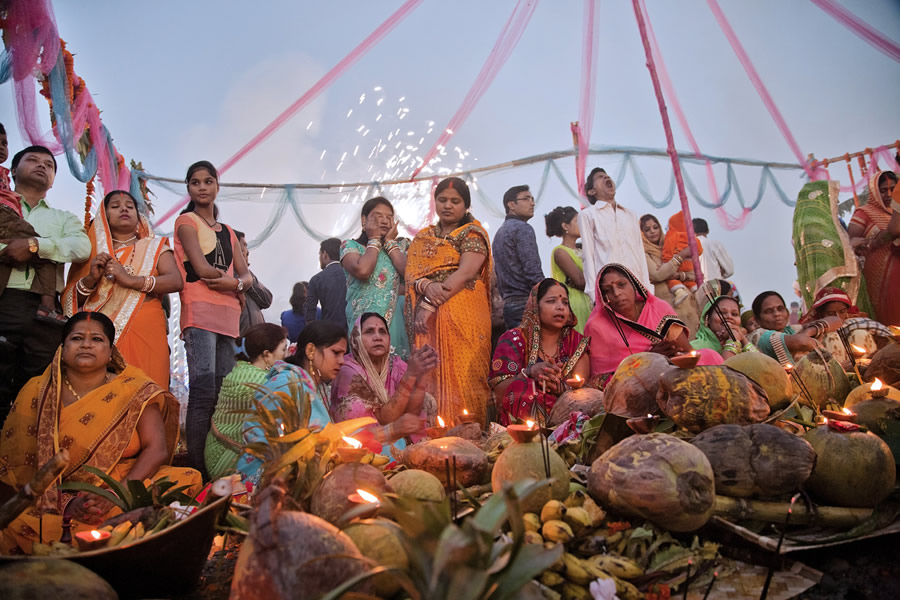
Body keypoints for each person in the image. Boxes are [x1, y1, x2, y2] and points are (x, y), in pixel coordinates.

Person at [0, 312, 202, 554]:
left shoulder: (135, 388)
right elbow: (17, 465)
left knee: (187, 478)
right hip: (56, 498)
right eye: (77, 338)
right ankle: (120, 538)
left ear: (110, 352)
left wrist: (114, 493)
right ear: (63, 350)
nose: (86, 344)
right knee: (16, 521)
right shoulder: (36, 392)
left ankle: (98, 537)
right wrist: (67, 504)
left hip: (124, 486)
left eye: (96, 339)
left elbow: (156, 449)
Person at [0, 146, 91, 419]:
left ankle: (31, 457)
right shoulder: (3, 207)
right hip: (4, 300)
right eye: (33, 160)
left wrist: (35, 245)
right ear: (13, 170)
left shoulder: (63, 218)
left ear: (52, 180)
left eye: (49, 164)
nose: (42, 166)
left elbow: (81, 247)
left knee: (40, 389)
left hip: (46, 312)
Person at [174, 160, 252, 477]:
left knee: (223, 395)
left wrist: (236, 284)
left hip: (228, 316)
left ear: (217, 186)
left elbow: (247, 275)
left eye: (208, 181)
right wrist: (236, 284)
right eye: (195, 182)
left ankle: (219, 464)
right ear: (189, 188)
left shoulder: (229, 232)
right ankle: (196, 472)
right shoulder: (185, 221)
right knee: (204, 392)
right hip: (200, 312)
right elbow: (202, 269)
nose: (202, 187)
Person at [62, 191, 182, 390]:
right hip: (101, 333)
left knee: (148, 390)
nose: (124, 209)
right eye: (115, 206)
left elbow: (175, 281)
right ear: (104, 215)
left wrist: (131, 280)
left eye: (129, 206)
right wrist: (91, 279)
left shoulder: (154, 246)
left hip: (146, 327)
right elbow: (69, 303)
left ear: (138, 215)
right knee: (103, 395)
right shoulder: (90, 252)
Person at [405, 177, 492, 426]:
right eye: (442, 200)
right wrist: (426, 286)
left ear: (466, 206)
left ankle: (471, 436)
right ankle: (434, 434)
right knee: (431, 373)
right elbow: (412, 274)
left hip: (465, 317)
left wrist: (428, 304)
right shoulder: (424, 238)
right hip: (430, 323)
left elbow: (465, 273)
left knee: (466, 377)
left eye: (455, 201)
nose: (448, 205)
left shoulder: (472, 233)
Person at [237, 320, 348, 485]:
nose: (342, 361)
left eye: (343, 355)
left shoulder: (313, 385)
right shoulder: (287, 382)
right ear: (311, 351)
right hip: (268, 479)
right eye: (336, 353)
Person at [584, 263, 719, 387]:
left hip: (672, 372)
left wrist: (669, 358)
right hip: (632, 386)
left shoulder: (658, 308)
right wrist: (649, 360)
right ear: (602, 296)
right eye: (607, 290)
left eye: (621, 284)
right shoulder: (596, 326)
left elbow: (687, 353)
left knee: (710, 356)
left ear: (634, 285)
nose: (616, 293)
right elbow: (598, 380)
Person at [331, 312, 437, 455]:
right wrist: (411, 375)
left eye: (382, 331)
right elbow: (382, 420)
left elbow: (413, 413)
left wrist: (421, 375)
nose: (377, 337)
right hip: (363, 444)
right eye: (369, 332)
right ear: (356, 339)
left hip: (397, 436)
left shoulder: (396, 364)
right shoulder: (348, 370)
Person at [489, 278, 590, 425]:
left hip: (567, 416)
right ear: (535, 307)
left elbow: (583, 392)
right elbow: (499, 392)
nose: (560, 307)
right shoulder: (514, 339)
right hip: (524, 423)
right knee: (526, 390)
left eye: (565, 302)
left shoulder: (576, 342)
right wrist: (528, 373)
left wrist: (559, 388)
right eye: (551, 301)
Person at [204, 322, 288, 482]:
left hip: (220, 450)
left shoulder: (243, 369)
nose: (286, 355)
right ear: (267, 355)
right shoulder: (258, 380)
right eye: (283, 349)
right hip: (227, 459)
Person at [340, 197, 410, 359]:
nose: (385, 221)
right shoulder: (350, 246)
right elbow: (363, 270)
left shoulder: (397, 249)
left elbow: (410, 276)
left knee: (393, 375)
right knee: (365, 375)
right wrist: (374, 240)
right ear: (364, 220)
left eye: (389, 217)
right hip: (363, 325)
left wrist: (391, 244)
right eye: (378, 216)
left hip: (393, 326)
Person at [578, 167, 650, 302]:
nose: (606, 177)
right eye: (600, 177)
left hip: (637, 288)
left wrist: (647, 289)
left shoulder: (630, 215)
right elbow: (588, 256)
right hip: (611, 291)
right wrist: (595, 295)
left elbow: (640, 253)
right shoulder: (588, 215)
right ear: (592, 191)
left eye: (607, 175)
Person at [849, 170, 900, 325]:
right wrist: (872, 241)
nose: (889, 195)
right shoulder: (864, 213)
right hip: (876, 274)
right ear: (874, 192)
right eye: (883, 191)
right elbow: (848, 242)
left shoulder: (897, 213)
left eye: (892, 190)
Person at [492, 185, 544, 329]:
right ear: (511, 204)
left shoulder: (499, 234)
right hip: (527, 304)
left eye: (533, 199)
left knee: (519, 350)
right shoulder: (523, 228)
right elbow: (532, 269)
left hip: (508, 306)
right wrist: (548, 295)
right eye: (526, 199)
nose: (532, 203)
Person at [800, 287, 892, 366]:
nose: (838, 317)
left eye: (842, 312)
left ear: (847, 310)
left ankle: (866, 374)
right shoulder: (814, 328)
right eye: (830, 314)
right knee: (832, 337)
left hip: (862, 367)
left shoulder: (858, 322)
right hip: (836, 370)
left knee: (860, 334)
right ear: (821, 313)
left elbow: (887, 339)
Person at [640, 213, 700, 335]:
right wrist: (680, 256)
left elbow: (693, 274)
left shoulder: (671, 245)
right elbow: (657, 275)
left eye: (655, 227)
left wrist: (679, 276)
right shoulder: (643, 253)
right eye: (647, 229)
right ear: (642, 233)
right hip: (665, 305)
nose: (652, 231)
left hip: (688, 305)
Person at [747, 291, 834, 366]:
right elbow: (801, 342)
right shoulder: (758, 336)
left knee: (831, 334)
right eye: (769, 311)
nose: (777, 314)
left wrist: (809, 331)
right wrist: (809, 335)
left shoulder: (790, 330)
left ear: (787, 313)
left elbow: (835, 320)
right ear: (757, 319)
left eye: (780, 309)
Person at [544, 206, 591, 334]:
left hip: (588, 301)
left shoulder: (582, 251)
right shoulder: (560, 252)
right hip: (575, 304)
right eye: (577, 221)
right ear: (565, 226)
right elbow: (580, 281)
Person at [691, 295, 758, 358]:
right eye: (722, 312)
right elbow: (722, 369)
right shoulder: (695, 348)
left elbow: (762, 365)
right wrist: (732, 341)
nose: (729, 316)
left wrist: (742, 338)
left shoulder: (742, 347)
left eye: (734, 314)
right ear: (707, 318)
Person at [234, 230, 273, 337]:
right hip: (238, 343)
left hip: (257, 341)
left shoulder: (248, 275)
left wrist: (246, 276)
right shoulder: (226, 274)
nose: (247, 251)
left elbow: (267, 299)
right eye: (244, 246)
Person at [306, 237, 347, 327]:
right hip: (352, 328)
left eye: (319, 254)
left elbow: (310, 312)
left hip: (330, 331)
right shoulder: (352, 274)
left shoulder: (316, 280)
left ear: (324, 254)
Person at [693, 218, 734, 282]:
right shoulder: (715, 244)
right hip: (715, 286)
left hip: (696, 288)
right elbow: (730, 270)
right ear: (708, 231)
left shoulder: (687, 247)